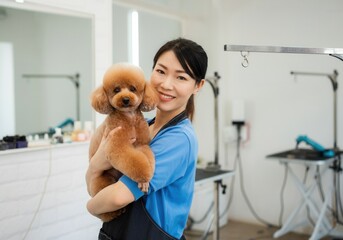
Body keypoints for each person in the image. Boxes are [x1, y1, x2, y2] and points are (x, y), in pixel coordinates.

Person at [86, 38, 208, 240]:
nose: (166, 85)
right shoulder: (145, 125)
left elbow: (117, 197)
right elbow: (93, 180)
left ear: (198, 85)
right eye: (161, 71)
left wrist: (91, 206)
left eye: (181, 77)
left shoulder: (179, 139)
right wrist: (96, 164)